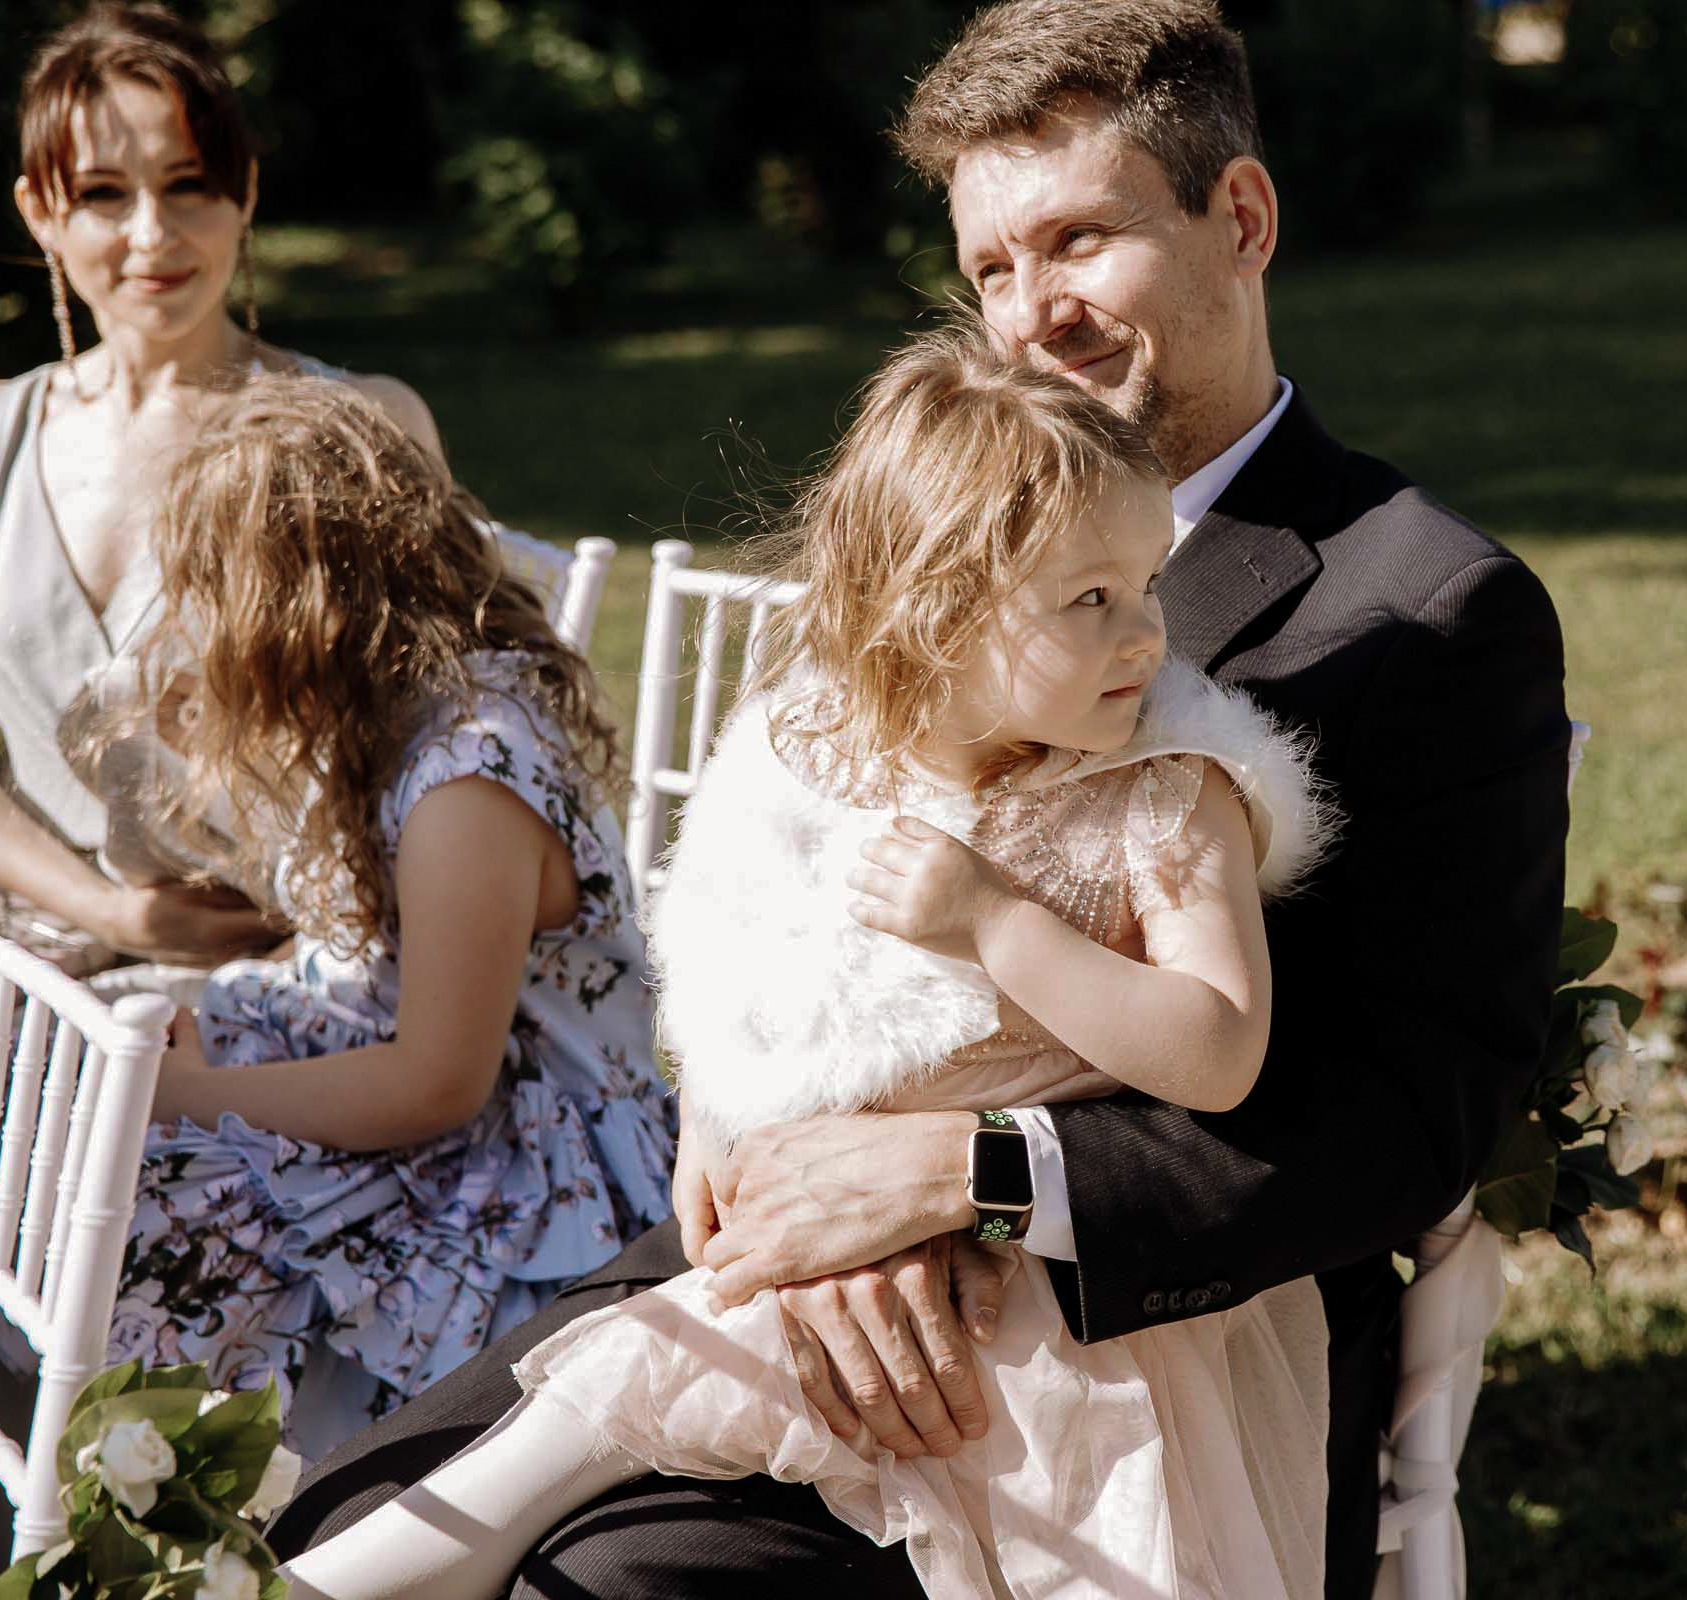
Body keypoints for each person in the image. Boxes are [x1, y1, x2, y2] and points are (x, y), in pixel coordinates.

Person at [273, 4, 1569, 1595]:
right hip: (791, 1235)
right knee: (349, 1527)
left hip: (1134, 1346)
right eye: (993, 272)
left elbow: (1408, 1117)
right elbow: (778, 872)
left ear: (1240, 218)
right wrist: (755, 1138)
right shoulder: (956, 521)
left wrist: (981, 1176)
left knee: (596, 1584)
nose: (1035, 316)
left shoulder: (1425, 609)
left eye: (1079, 240)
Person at [282, 322, 1341, 1599]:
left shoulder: (1170, 790)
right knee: (593, 1407)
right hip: (819, 1258)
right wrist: (721, 1114)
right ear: (937, 614)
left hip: (1076, 1319)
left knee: (634, 1401)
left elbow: (1219, 1050)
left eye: (1147, 584)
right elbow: (738, 972)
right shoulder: (826, 759)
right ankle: (348, 1576)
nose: (1145, 637)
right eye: (1090, 600)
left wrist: (1003, 926)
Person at [85, 377, 674, 1457]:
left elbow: (439, 1081)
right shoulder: (388, 710)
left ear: (300, 609)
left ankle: (150, 1488)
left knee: (155, 1189)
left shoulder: (467, 779)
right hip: (436, 1081)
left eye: (210, 595)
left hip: (538, 1171)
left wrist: (196, 1095)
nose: (194, 628)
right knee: (92, 1123)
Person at [0, 1, 442, 974]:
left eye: (189, 184)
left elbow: (441, 749)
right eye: (105, 194)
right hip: (31, 960)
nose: (153, 235)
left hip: (287, 970)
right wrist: (109, 917)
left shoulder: (363, 428)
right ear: (41, 212)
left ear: (245, 192)